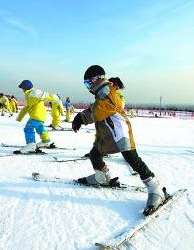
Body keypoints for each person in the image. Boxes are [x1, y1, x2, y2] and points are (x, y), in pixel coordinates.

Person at [71, 65, 170, 216]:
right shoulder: (102, 91)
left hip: (120, 132)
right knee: (95, 154)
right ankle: (102, 177)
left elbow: (99, 110)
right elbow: (96, 108)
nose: (88, 87)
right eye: (86, 84)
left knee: (132, 159)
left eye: (88, 83)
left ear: (96, 79)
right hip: (107, 133)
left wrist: (81, 118)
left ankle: (155, 188)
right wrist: (81, 117)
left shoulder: (108, 92)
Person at [16, 80, 59, 153]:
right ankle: (46, 141)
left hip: (36, 115)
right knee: (40, 128)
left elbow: (46, 95)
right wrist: (20, 117)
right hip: (39, 115)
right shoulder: (28, 95)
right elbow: (27, 107)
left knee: (28, 128)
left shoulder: (34, 92)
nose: (22, 90)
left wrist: (55, 97)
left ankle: (31, 144)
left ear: (26, 88)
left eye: (23, 88)